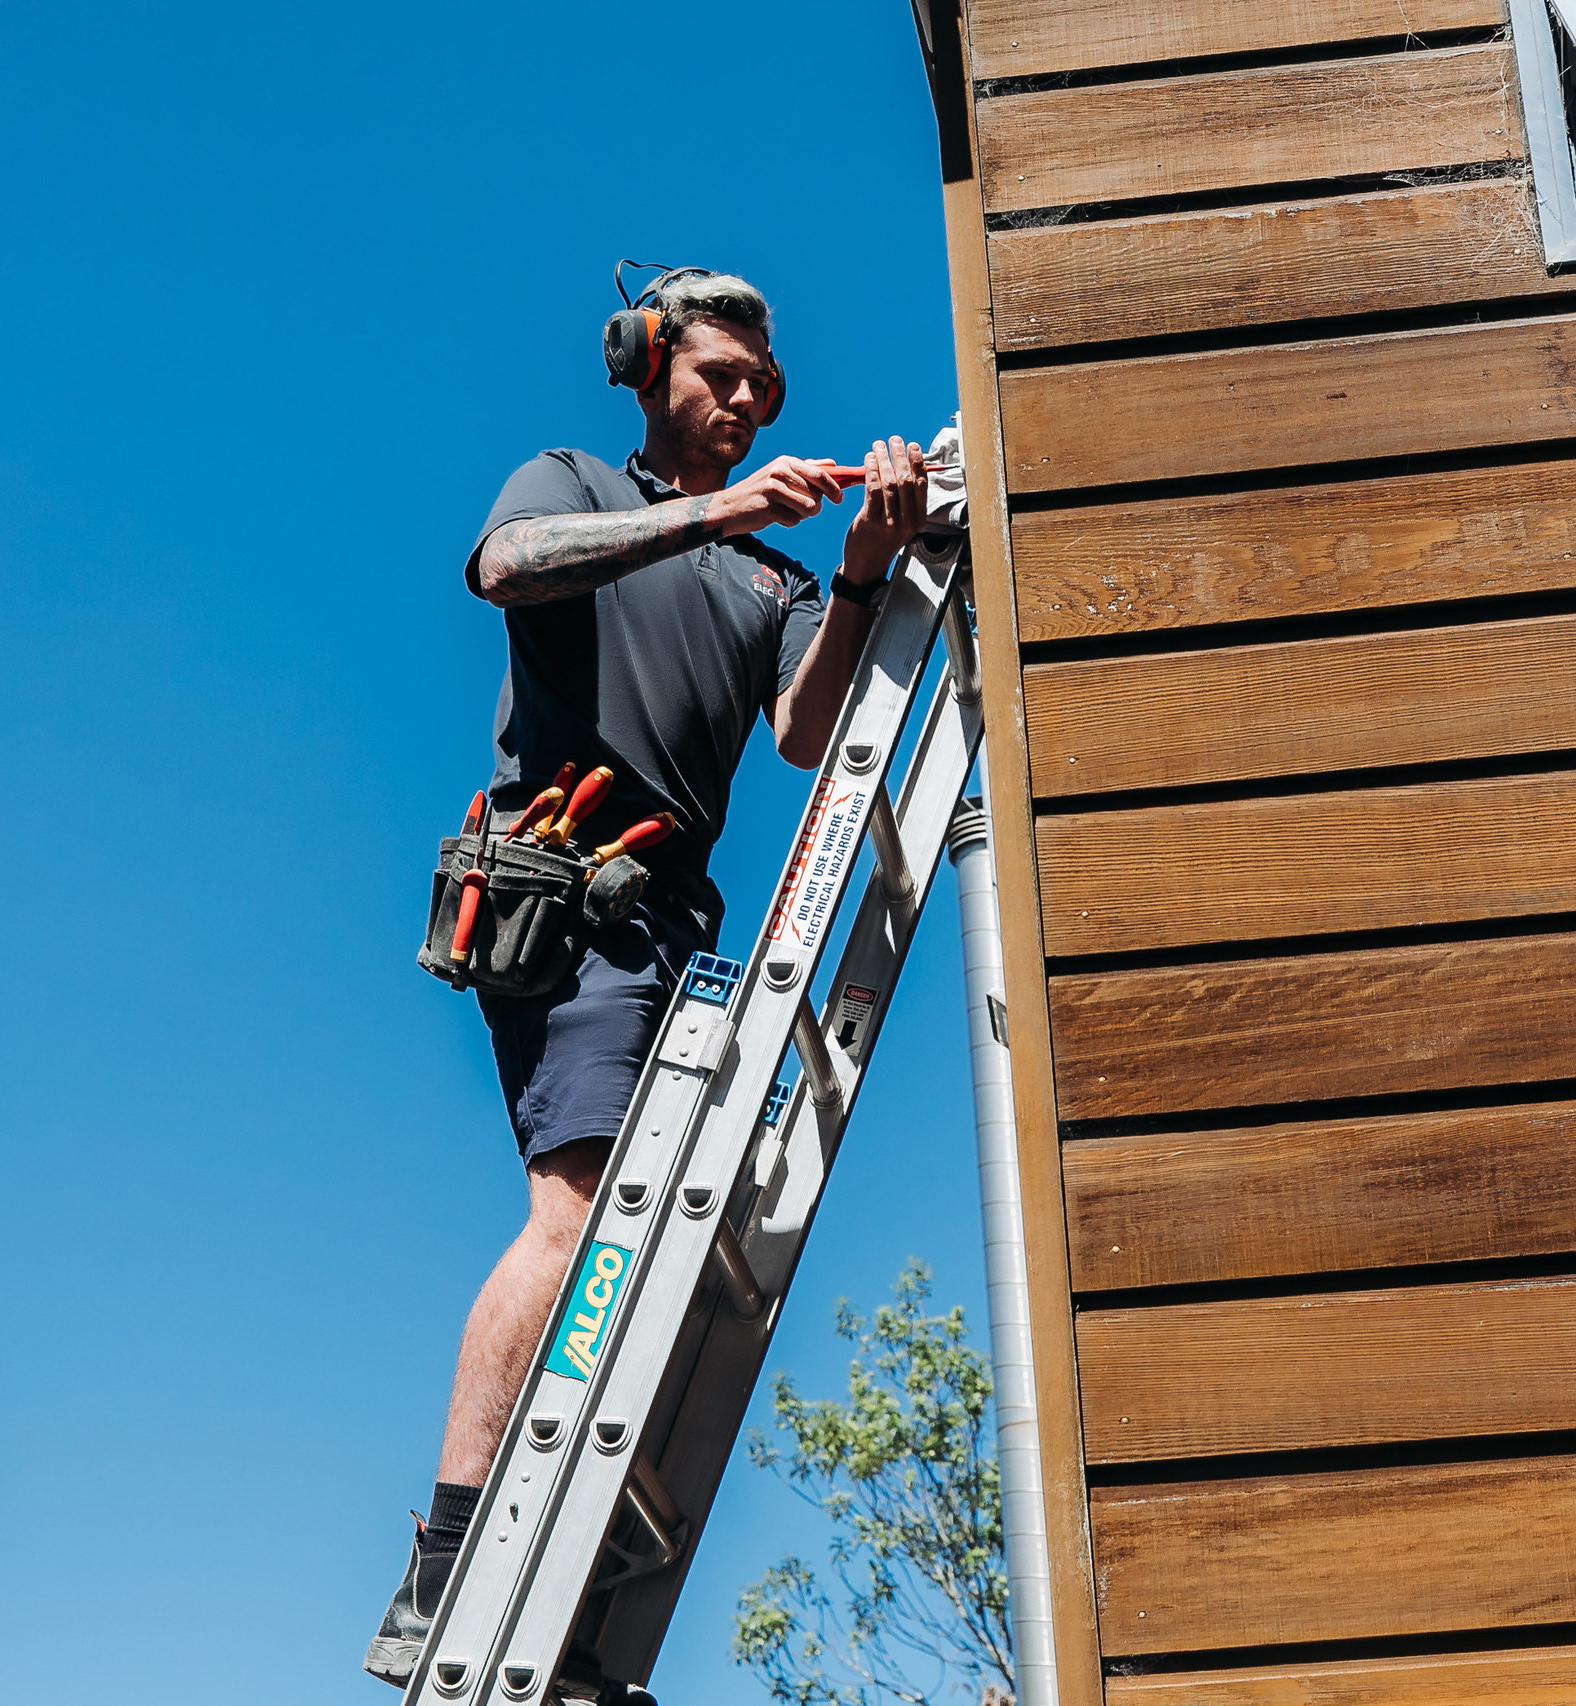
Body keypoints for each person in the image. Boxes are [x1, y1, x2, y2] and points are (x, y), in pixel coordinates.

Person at [366, 267, 928, 1686]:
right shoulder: (573, 483)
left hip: (669, 916)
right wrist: (713, 511)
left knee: (632, 1224)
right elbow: (505, 567)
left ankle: (549, 1541)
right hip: (572, 899)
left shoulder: (783, 579)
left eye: (763, 388)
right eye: (718, 377)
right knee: (575, 1211)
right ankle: (446, 1562)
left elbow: (803, 734)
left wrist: (858, 570)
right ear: (646, 368)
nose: (744, 401)